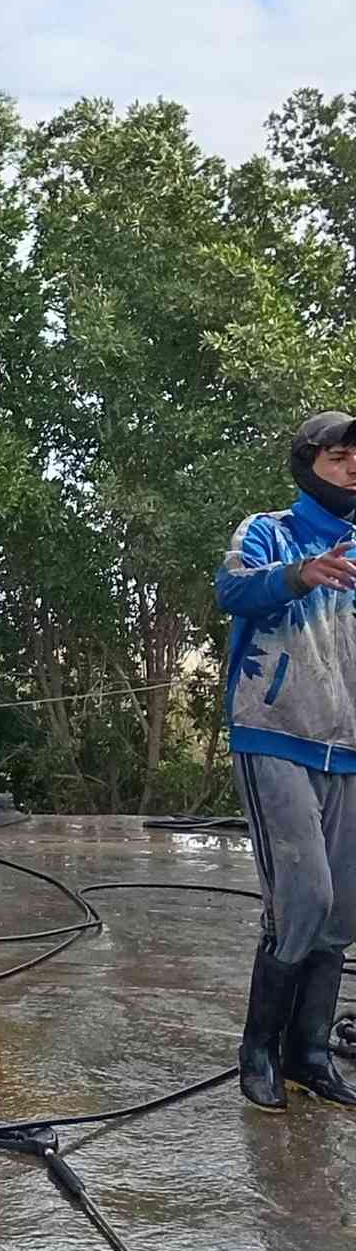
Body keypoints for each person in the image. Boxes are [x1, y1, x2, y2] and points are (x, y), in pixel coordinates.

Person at [216, 413, 356, 1110]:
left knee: (343, 910)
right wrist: (300, 575)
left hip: (348, 747)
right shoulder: (268, 530)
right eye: (340, 455)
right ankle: (258, 1049)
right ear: (307, 462)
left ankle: (310, 1054)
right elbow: (233, 589)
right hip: (273, 732)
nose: (353, 466)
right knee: (304, 898)